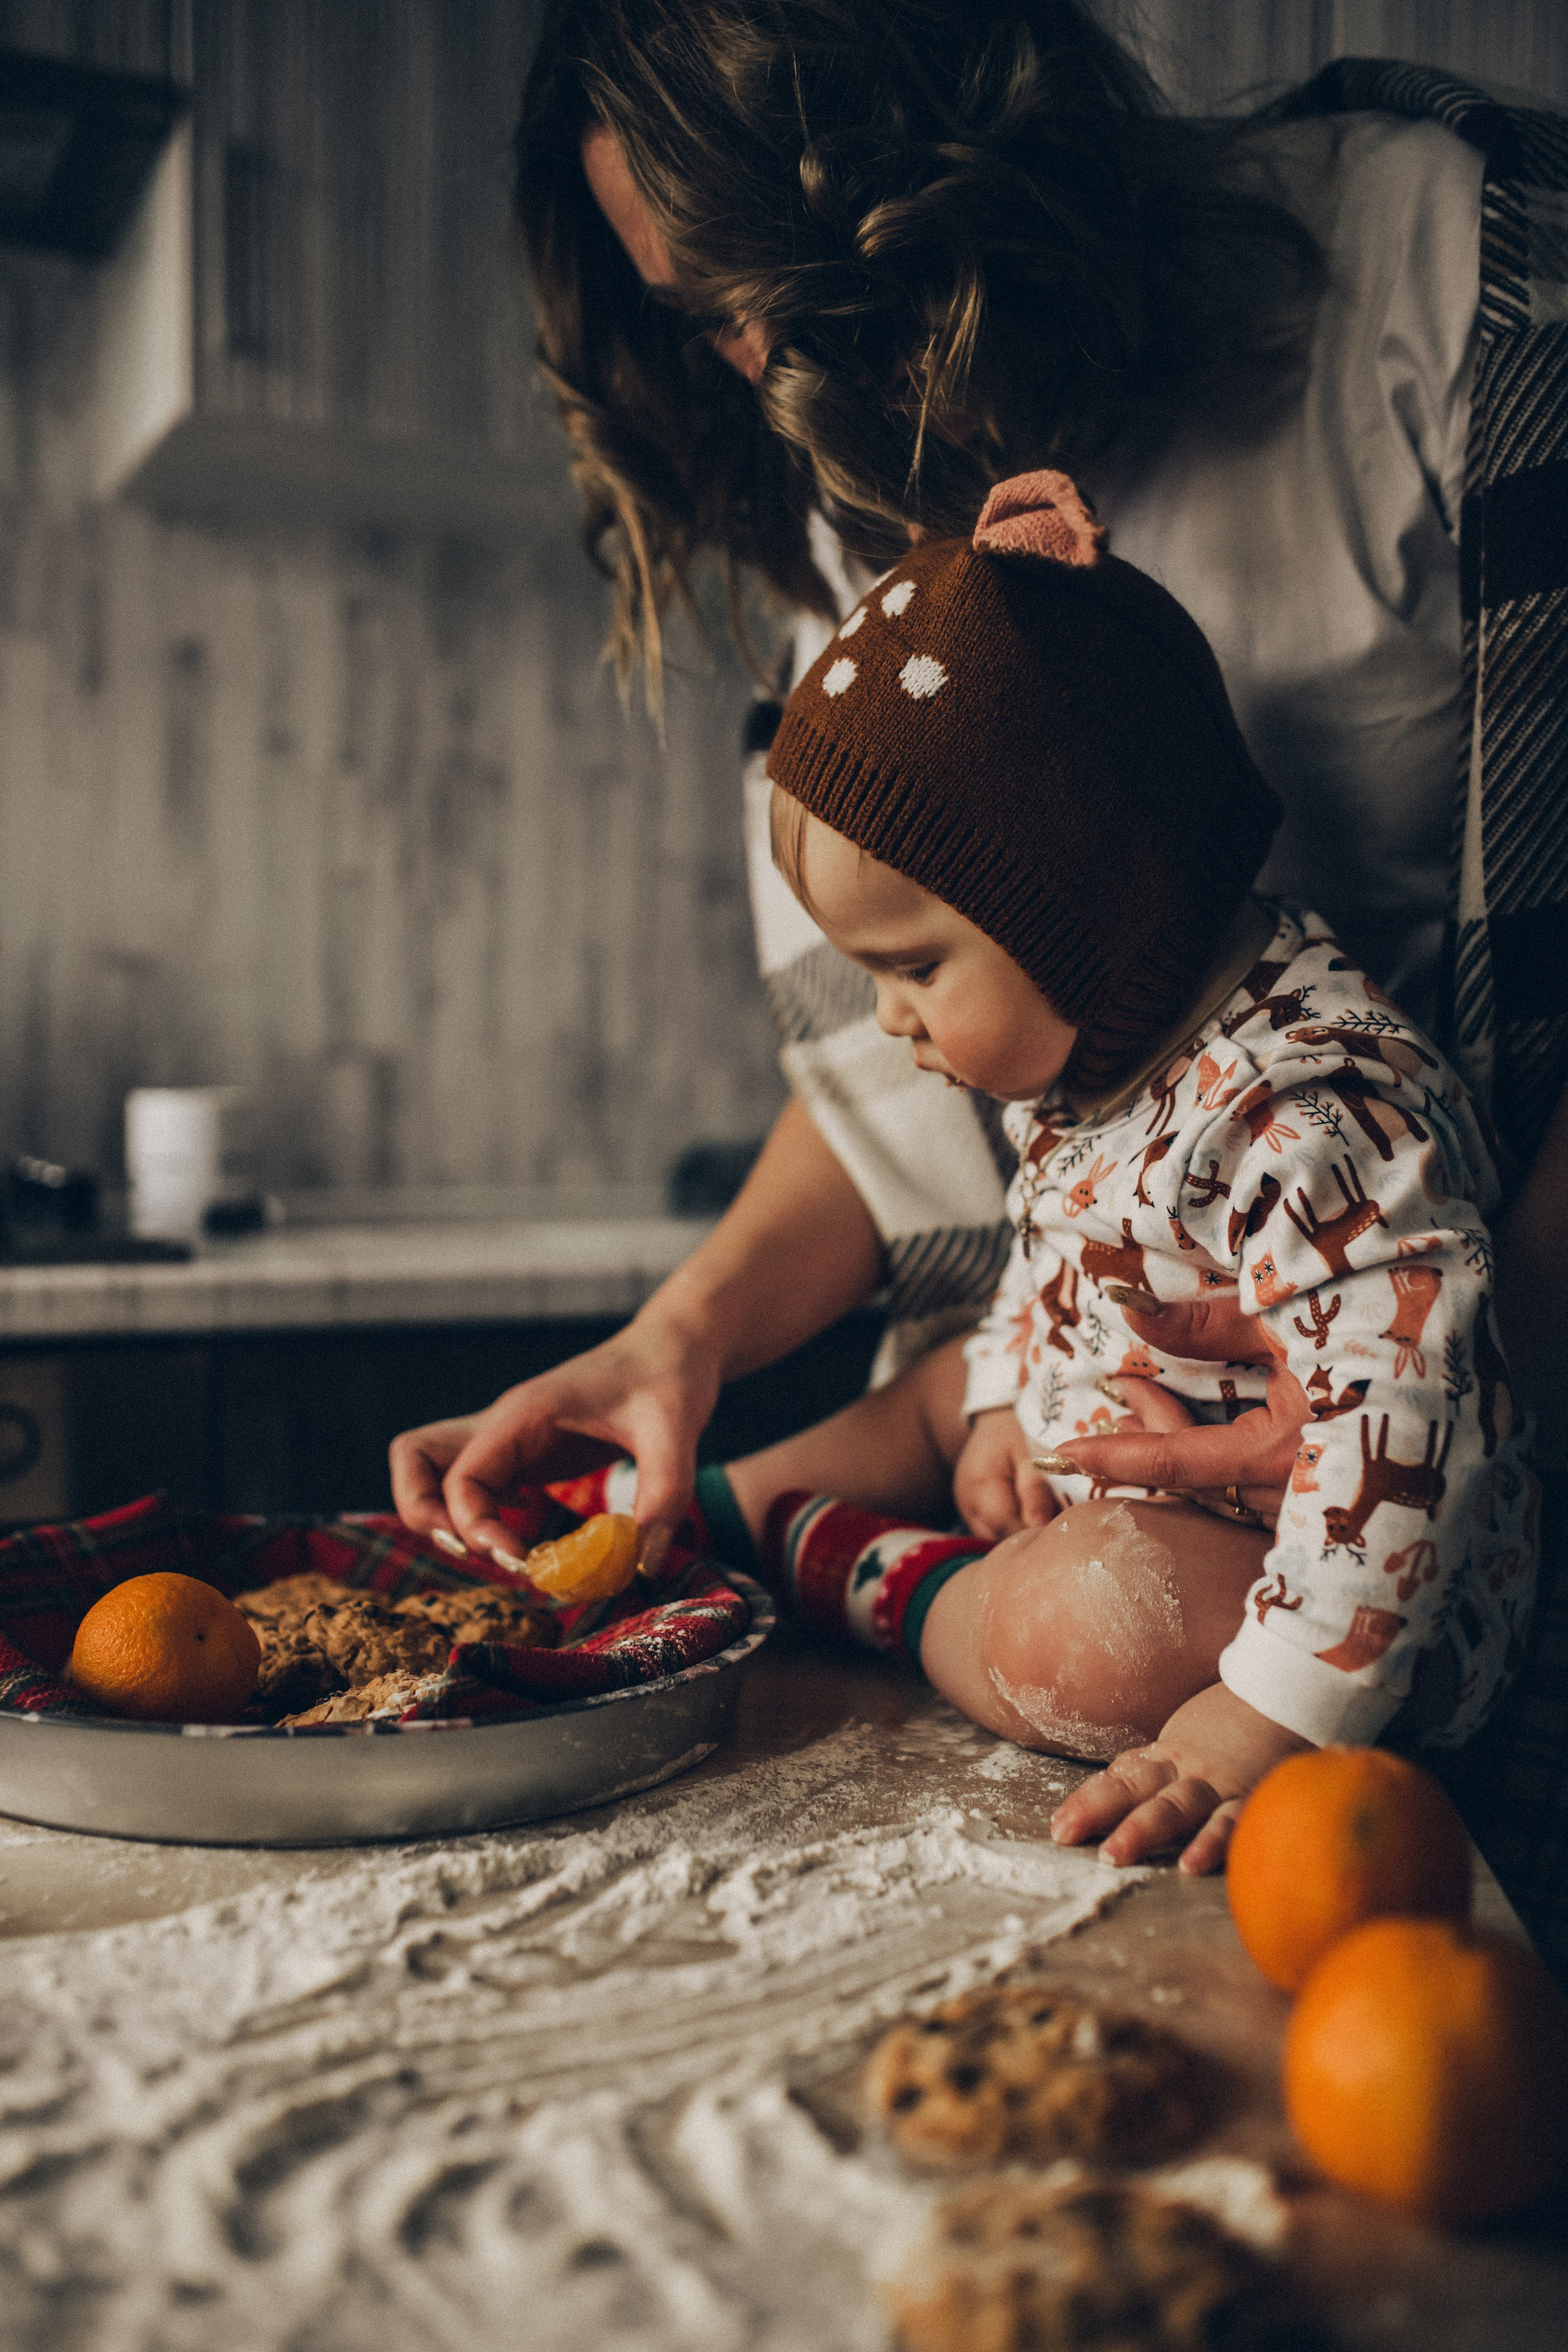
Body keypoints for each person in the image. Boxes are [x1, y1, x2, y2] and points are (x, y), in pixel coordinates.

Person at [388, 7, 1567, 1930]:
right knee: (968, 1411)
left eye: (766, 289)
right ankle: (796, 1508)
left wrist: (1438, 1420)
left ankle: (859, 1557)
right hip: (1124, 1432)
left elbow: (1413, 1385)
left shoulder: (1464, 291)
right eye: (704, 325)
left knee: (1118, 1628)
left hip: (1366, 1442)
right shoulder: (859, 522)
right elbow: (918, 1099)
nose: (757, 369)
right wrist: (678, 1344)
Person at [612, 469, 1532, 1870]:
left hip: (1329, 1596)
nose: (889, 1021)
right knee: (945, 1383)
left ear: (1093, 899)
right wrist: (1003, 1403)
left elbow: (1404, 1427)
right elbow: (1048, 1263)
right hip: (1131, 1465)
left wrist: (1273, 1713)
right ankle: (713, 1507)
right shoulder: (1097, 1052)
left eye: (912, 967)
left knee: (1088, 1629)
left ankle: (888, 1582)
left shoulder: (1311, 1106)